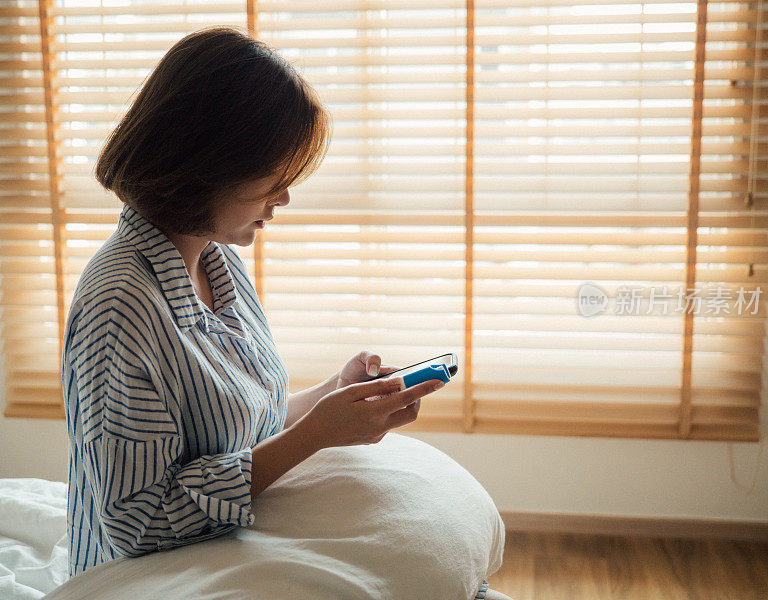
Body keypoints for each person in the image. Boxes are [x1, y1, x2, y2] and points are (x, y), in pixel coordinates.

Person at [62, 26, 511, 600]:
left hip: (226, 540)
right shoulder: (119, 308)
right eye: (272, 178)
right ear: (206, 164)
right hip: (153, 574)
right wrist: (314, 437)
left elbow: (238, 428)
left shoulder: (218, 259)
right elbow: (138, 521)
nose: (284, 199)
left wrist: (332, 398)